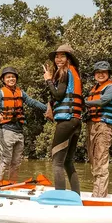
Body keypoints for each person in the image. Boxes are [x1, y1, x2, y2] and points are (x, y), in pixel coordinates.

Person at [0, 66, 47, 183]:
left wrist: (46, 109)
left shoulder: (21, 93)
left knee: (16, 161)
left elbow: (32, 102)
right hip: (6, 130)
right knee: (6, 159)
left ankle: (12, 184)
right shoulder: (0, 93)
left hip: (19, 131)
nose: (11, 79)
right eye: (8, 77)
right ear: (3, 79)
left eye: (13, 77)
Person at [43, 44, 83, 194]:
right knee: (67, 162)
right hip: (76, 122)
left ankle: (60, 198)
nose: (59, 59)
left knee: (57, 162)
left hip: (65, 122)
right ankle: (76, 195)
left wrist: (48, 80)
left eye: (62, 56)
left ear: (69, 58)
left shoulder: (64, 71)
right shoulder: (75, 73)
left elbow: (58, 95)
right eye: (57, 56)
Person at [84, 61, 112, 197]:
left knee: (101, 160)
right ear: (94, 75)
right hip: (92, 125)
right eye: (98, 72)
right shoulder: (94, 89)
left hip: (104, 126)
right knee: (93, 160)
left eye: (104, 72)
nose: (100, 74)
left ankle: (100, 196)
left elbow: (104, 101)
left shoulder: (111, 87)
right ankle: (97, 193)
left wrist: (83, 102)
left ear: (108, 74)